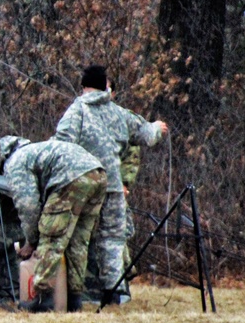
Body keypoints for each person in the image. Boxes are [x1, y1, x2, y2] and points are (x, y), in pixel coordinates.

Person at [53, 65, 168, 305]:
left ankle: (74, 297)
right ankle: (114, 293)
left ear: (84, 85)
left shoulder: (77, 111)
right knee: (113, 241)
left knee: (77, 239)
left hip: (82, 186)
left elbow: (61, 145)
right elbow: (147, 135)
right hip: (113, 187)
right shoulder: (119, 113)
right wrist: (158, 127)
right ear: (105, 85)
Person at [0, 136, 108, 313]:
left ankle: (44, 298)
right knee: (77, 242)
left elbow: (28, 206)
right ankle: (74, 300)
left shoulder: (15, 162)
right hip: (98, 174)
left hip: (71, 177)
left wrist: (32, 241)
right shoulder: (35, 150)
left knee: (51, 235)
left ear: (0, 162)